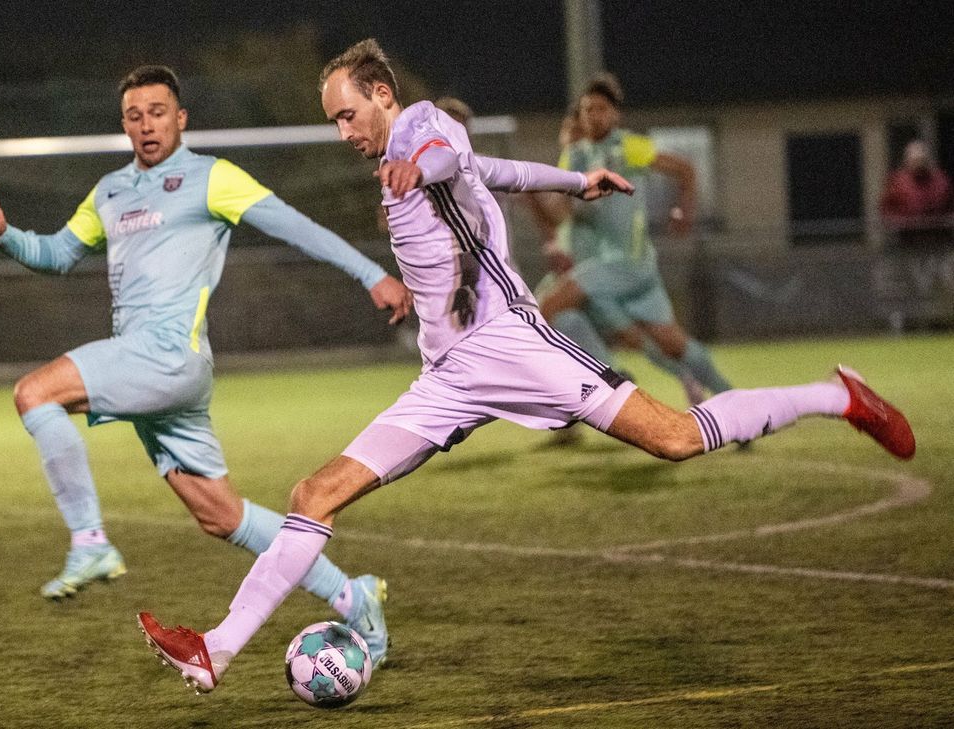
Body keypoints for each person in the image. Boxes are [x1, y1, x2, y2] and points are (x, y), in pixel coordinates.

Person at [136, 40, 916, 695]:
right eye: (334, 120)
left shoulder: (422, 128)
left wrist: (422, 166)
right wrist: (579, 180)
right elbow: (495, 172)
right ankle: (215, 651)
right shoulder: (403, 152)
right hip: (446, 373)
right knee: (316, 491)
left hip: (513, 345)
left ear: (381, 95)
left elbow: (447, 155)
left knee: (676, 438)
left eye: (347, 113)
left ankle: (834, 394)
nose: (343, 131)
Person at [0, 64, 412, 664]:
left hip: (168, 357)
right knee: (221, 515)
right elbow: (58, 253)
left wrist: (372, 274)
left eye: (158, 112)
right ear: (124, 125)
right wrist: (8, 236)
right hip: (154, 369)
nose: (147, 125)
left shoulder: (211, 178)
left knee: (34, 392)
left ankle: (89, 541)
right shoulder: (110, 190)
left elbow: (298, 229)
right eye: (135, 116)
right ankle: (353, 596)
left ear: (181, 118)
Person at [536, 73, 727, 407]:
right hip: (607, 270)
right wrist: (532, 195)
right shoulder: (575, 156)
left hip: (629, 263)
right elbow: (561, 215)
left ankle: (607, 378)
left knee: (545, 308)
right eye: (587, 110)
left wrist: (684, 210)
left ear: (615, 114)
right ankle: (735, 400)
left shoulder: (628, 146)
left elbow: (685, 170)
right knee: (670, 343)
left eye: (600, 108)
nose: (593, 115)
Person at [880, 140, 953, 248]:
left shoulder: (941, 180)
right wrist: (899, 222)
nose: (919, 164)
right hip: (908, 243)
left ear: (927, 160)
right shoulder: (897, 182)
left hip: (939, 242)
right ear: (907, 161)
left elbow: (951, 205)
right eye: (915, 160)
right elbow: (886, 210)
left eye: (921, 160)